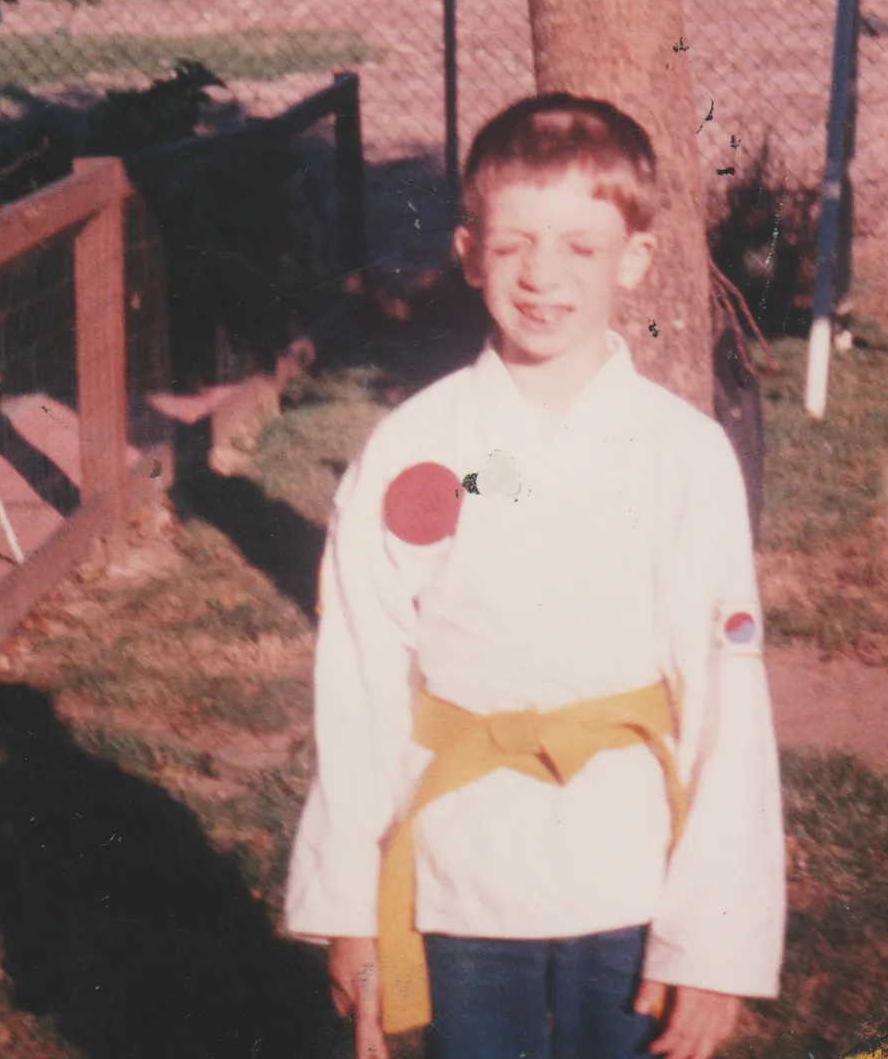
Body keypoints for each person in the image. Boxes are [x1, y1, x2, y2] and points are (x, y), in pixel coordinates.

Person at [284, 94, 786, 1059]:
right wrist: (353, 904)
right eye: (513, 246)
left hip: (632, 865)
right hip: (466, 871)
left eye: (580, 248)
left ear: (635, 260)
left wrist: (716, 941)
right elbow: (358, 682)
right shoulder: (415, 454)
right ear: (470, 253)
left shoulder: (680, 455)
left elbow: (727, 698)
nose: (542, 276)